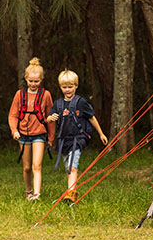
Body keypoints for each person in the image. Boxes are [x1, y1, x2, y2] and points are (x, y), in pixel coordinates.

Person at [46, 70, 108, 205]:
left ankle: (70, 194)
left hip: (78, 140)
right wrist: (50, 118)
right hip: (63, 141)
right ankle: (71, 193)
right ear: (60, 87)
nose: (67, 90)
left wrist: (101, 133)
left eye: (70, 87)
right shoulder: (58, 104)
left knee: (72, 168)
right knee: (68, 169)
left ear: (76, 86)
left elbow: (91, 117)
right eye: (64, 87)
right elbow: (48, 119)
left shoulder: (81, 102)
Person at [7, 57, 56, 201]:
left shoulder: (46, 95)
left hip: (39, 135)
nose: (33, 84)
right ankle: (28, 191)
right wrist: (14, 130)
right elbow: (13, 115)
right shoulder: (19, 95)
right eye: (31, 81)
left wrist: (51, 138)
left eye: (37, 81)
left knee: (37, 165)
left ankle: (37, 194)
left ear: (41, 80)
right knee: (27, 167)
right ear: (26, 79)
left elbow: (51, 118)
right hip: (23, 134)